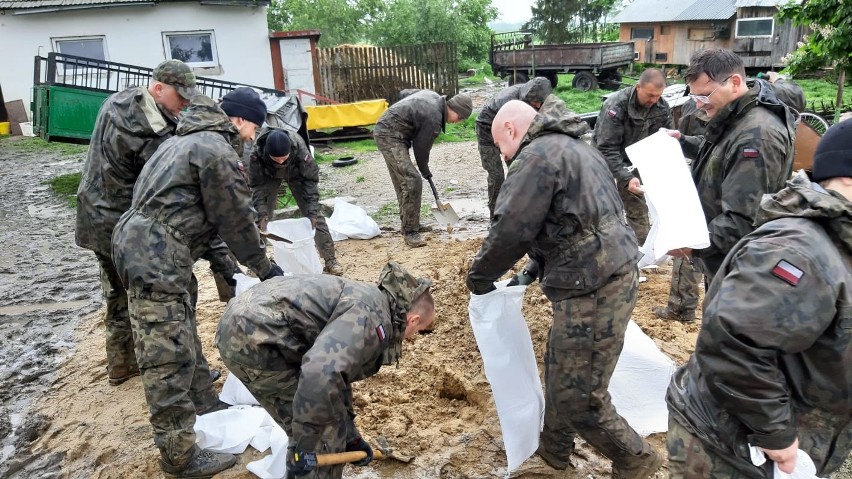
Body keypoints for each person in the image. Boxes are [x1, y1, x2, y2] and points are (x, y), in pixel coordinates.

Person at [467, 97, 663, 478]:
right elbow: (574, 217)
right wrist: (537, 264)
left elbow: (511, 228)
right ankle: (554, 451)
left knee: (580, 398)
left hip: (593, 282)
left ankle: (637, 459)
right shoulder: (576, 147)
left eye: (500, 145)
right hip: (599, 273)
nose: (502, 155)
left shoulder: (536, 157)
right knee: (561, 369)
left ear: (511, 130)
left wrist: (479, 277)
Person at [111, 87, 285, 478]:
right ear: (240, 119)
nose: (254, 136)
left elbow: (205, 219)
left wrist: (232, 269)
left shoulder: (185, 140)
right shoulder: (216, 152)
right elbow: (237, 219)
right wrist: (264, 268)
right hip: (155, 254)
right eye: (254, 126)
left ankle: (205, 400)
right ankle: (179, 455)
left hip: (155, 247)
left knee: (181, 328)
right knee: (165, 354)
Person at [666, 119, 852, 478]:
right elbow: (733, 342)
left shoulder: (836, 239)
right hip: (734, 446)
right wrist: (776, 433)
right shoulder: (799, 252)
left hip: (794, 434)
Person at [74, 59, 239, 386]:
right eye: (180, 97)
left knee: (119, 294)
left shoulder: (119, 99)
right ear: (159, 87)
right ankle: (191, 376)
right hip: (123, 226)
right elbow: (171, 189)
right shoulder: (152, 129)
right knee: (177, 293)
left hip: (93, 215)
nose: (185, 104)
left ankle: (121, 365)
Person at [216, 262, 434, 479]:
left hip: (249, 323)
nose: (414, 337)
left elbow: (337, 376)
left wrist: (351, 438)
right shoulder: (373, 322)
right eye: (420, 330)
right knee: (324, 439)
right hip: (255, 340)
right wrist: (307, 444)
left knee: (326, 425)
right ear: (413, 320)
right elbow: (319, 374)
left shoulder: (375, 301)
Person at [666, 48, 796, 285]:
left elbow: (745, 219)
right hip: (725, 258)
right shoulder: (736, 117)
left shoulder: (756, 136)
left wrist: (694, 243)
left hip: (742, 269)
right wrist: (683, 141)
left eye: (704, 96)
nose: (699, 105)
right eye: (694, 97)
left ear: (734, 82)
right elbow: (721, 154)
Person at [373, 90, 473, 247]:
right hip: (389, 135)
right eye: (460, 118)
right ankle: (410, 232)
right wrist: (425, 171)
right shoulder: (434, 118)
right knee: (412, 180)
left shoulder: (433, 97)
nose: (458, 122)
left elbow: (405, 93)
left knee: (405, 182)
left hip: (393, 132)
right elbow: (421, 150)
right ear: (456, 111)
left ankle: (411, 223)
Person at [592, 68, 673, 245]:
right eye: (650, 95)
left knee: (636, 203)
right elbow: (606, 148)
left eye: (658, 95)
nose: (654, 100)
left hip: (636, 159)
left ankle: (641, 249)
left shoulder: (662, 107)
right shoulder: (616, 105)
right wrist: (625, 177)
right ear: (638, 87)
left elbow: (665, 141)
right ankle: (602, 244)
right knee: (601, 206)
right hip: (604, 159)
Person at [249, 128, 343, 275]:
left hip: (297, 173)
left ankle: (330, 260)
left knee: (315, 217)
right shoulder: (256, 154)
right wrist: (262, 213)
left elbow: (310, 183)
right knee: (260, 219)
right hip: (267, 176)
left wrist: (311, 211)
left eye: (283, 157)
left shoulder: (300, 149)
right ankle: (258, 265)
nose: (281, 161)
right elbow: (257, 186)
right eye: (276, 158)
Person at [651, 98, 707, 322]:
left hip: (704, 203)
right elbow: (706, 144)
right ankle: (685, 307)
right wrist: (683, 139)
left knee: (687, 250)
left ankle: (682, 308)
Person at [475, 77, 552, 217]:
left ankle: (520, 209)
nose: (538, 105)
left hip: (511, 131)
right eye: (535, 102)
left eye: (540, 102)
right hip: (487, 130)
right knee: (496, 175)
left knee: (519, 169)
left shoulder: (538, 95)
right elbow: (515, 131)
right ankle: (495, 215)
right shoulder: (511, 101)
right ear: (528, 97)